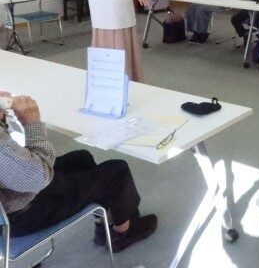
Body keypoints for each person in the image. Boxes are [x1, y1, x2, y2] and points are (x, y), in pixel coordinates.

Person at [0, 92, 157, 253]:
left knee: (81, 158)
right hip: (22, 215)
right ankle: (122, 232)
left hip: (13, 196)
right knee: (117, 171)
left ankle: (107, 221)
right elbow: (38, 177)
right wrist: (32, 124)